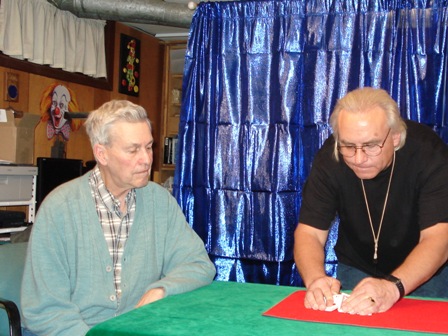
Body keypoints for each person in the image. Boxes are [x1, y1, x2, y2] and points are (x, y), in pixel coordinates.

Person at [21, 100, 216, 335]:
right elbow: (46, 312)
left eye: (148, 146)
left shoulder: (159, 201)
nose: (146, 159)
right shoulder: (59, 209)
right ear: (101, 154)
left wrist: (163, 289)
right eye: (133, 150)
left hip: (138, 330)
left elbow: (198, 264)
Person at [294, 87, 448, 315]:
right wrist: (315, 278)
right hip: (357, 266)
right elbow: (310, 232)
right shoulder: (330, 156)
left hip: (425, 272)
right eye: (348, 146)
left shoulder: (429, 153)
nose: (358, 158)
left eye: (371, 145)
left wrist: (393, 287)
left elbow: (438, 239)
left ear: (395, 137)